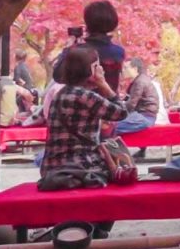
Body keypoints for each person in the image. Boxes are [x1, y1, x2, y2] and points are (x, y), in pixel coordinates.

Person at [41, 46, 129, 180]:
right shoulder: (86, 96)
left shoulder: (59, 95)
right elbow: (121, 113)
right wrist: (103, 83)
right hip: (82, 169)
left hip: (52, 170)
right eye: (97, 66)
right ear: (90, 70)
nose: (101, 70)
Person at [80, 0, 127, 93]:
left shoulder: (77, 50)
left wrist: (68, 47)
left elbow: (58, 76)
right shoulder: (118, 52)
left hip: (81, 103)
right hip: (108, 102)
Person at [115, 59, 159, 135]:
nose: (123, 70)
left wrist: (115, 111)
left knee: (112, 127)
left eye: (126, 68)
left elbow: (131, 105)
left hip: (144, 117)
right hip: (142, 116)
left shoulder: (140, 82)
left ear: (135, 69)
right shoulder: (139, 80)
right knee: (111, 125)